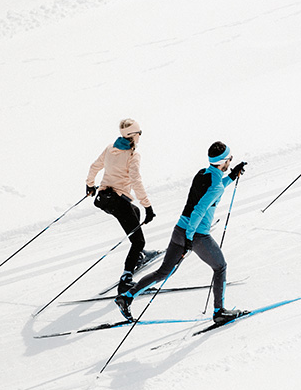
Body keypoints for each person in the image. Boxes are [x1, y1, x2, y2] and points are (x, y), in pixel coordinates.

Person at [114, 142, 247, 324]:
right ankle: (219, 311)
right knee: (220, 267)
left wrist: (231, 176)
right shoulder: (216, 185)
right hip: (197, 234)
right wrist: (190, 238)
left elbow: (213, 190)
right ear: (223, 161)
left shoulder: (203, 173)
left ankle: (127, 297)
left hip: (178, 230)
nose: (231, 161)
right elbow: (199, 210)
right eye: (230, 159)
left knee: (162, 272)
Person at [86, 119, 157, 295]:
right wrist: (148, 206)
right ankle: (126, 280)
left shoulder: (110, 148)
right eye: (139, 133)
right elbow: (136, 181)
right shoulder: (133, 155)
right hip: (118, 201)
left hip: (104, 198)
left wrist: (90, 184)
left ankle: (138, 255)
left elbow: (95, 166)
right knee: (138, 240)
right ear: (133, 136)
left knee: (135, 211)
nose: (140, 136)